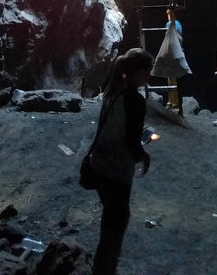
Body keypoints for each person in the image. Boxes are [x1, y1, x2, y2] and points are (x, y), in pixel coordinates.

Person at [89, 48, 154, 275]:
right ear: (139, 72)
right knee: (115, 226)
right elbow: (130, 141)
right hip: (116, 169)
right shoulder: (135, 100)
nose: (149, 76)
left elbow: (111, 125)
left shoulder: (112, 90)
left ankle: (103, 267)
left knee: (110, 219)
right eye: (148, 71)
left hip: (98, 163)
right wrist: (143, 156)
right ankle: (104, 270)